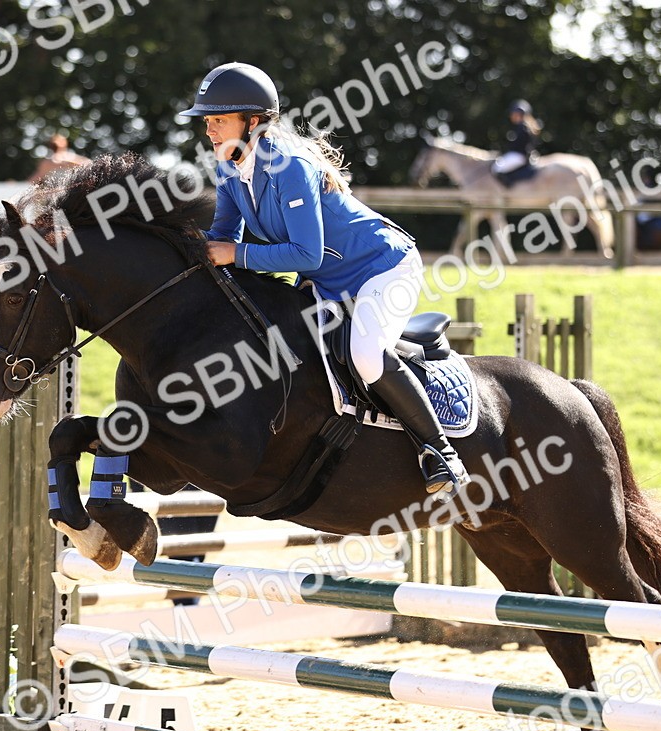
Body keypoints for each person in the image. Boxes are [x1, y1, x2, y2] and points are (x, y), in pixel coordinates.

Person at [180, 62, 468, 495]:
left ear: (253, 121)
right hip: (327, 280)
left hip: (383, 268)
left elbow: (304, 253)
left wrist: (233, 252)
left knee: (367, 355)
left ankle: (441, 453)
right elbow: (222, 238)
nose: (211, 131)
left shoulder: (289, 166)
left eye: (219, 120)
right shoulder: (229, 169)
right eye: (208, 122)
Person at [491, 99, 540, 178]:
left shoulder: (523, 127)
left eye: (514, 113)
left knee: (496, 168)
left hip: (519, 156)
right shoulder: (524, 126)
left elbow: (518, 145)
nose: (511, 115)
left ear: (520, 114)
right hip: (520, 155)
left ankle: (508, 188)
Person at [27, 133, 91, 182]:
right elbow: (35, 178)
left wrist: (67, 163)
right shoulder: (47, 163)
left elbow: (89, 164)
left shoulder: (71, 158)